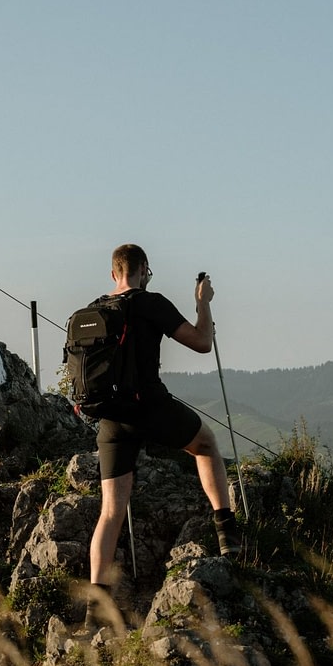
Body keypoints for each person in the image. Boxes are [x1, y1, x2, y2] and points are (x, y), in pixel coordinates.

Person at [87, 244, 239, 601]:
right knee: (205, 445)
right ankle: (227, 534)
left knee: (110, 510)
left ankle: (97, 611)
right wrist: (203, 302)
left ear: (113, 274)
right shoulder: (151, 302)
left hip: (112, 418)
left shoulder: (95, 309)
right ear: (143, 271)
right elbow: (202, 342)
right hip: (151, 407)